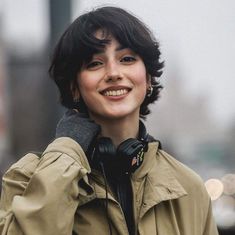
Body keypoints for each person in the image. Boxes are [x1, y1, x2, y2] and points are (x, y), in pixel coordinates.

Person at [0, 6, 218, 235]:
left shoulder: (188, 188)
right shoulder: (26, 178)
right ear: (75, 87)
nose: (113, 72)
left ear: (149, 78)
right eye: (95, 63)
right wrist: (65, 156)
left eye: (127, 59)